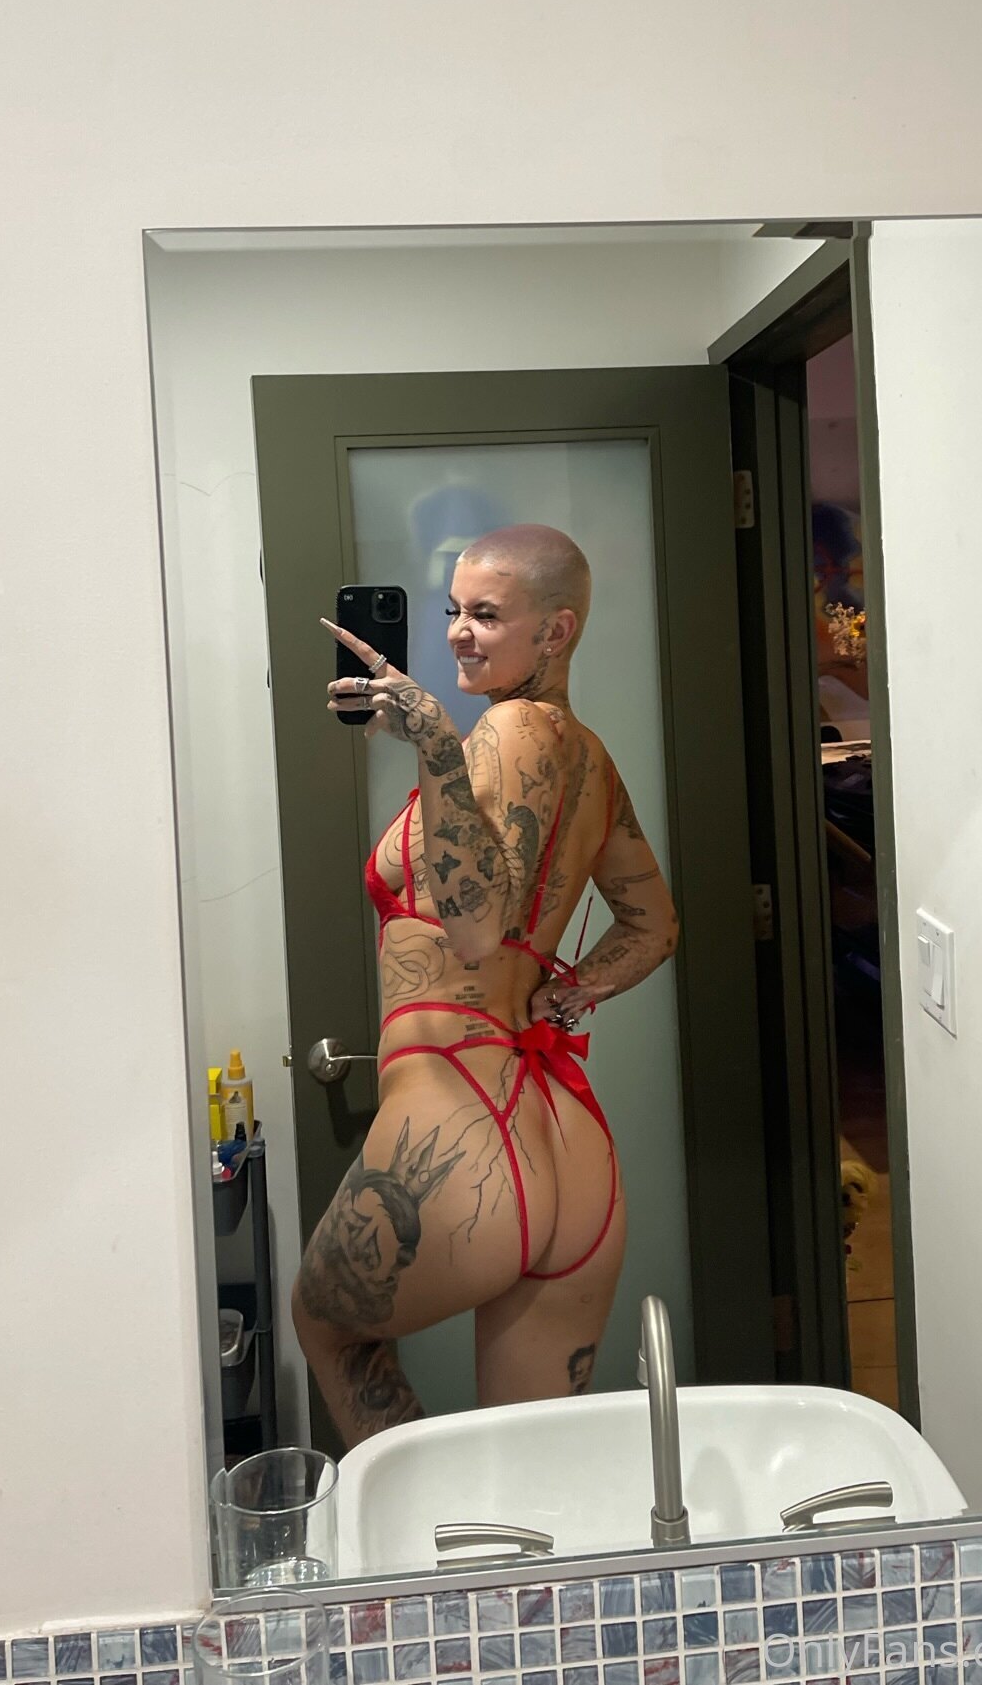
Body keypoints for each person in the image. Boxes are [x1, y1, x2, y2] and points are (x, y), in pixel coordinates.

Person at [292, 524, 678, 1446]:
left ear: (557, 630)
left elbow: (475, 928)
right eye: (454, 610)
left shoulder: (505, 729)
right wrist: (568, 994)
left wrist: (433, 740)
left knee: (328, 1325)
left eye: (487, 615)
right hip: (565, 1138)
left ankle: (428, 1541)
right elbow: (655, 925)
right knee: (533, 1466)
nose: (459, 632)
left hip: (457, 1113)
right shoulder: (588, 756)